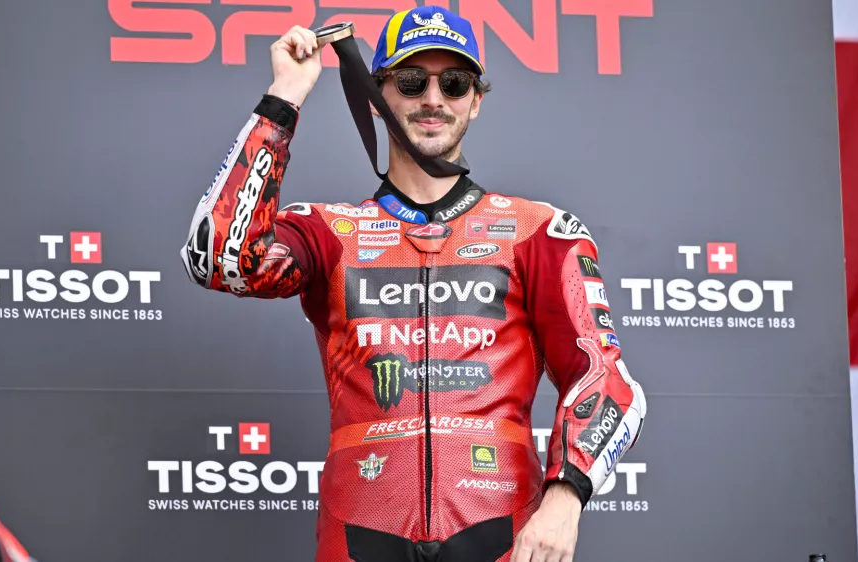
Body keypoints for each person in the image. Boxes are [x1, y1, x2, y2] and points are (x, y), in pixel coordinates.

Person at [180, 6, 646, 562]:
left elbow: (607, 379)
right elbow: (218, 258)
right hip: (359, 539)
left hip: (505, 538)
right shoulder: (330, 232)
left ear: (475, 100)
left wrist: (565, 498)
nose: (432, 99)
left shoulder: (538, 231)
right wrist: (284, 99)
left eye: (454, 83)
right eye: (410, 81)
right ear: (377, 96)